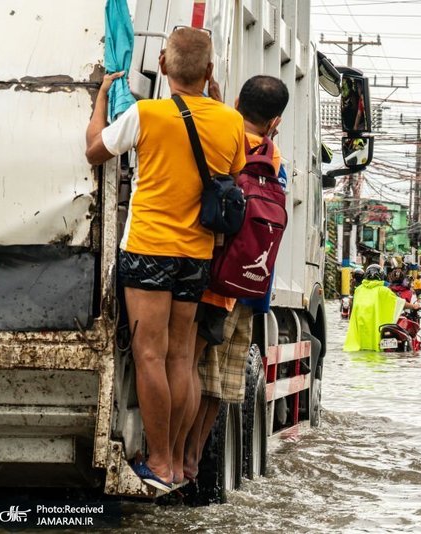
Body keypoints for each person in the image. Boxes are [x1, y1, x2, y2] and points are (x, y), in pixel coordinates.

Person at [85, 27, 246, 491]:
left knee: (149, 354)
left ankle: (157, 462)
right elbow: (232, 174)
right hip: (196, 254)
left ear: (162, 63)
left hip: (150, 248)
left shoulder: (147, 113)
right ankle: (175, 462)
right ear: (209, 72)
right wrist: (217, 105)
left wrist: (100, 100)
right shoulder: (229, 121)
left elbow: (95, 150)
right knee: (181, 358)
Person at [183, 75, 289, 485]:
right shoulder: (273, 157)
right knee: (221, 383)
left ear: (235, 101)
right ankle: (193, 458)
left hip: (207, 275)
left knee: (189, 368)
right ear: (275, 120)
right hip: (246, 285)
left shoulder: (222, 135)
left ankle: (177, 455)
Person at [344, 264, 421, 352]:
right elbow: (398, 302)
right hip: (375, 324)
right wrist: (414, 306)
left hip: (361, 324)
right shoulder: (383, 290)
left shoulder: (359, 290)